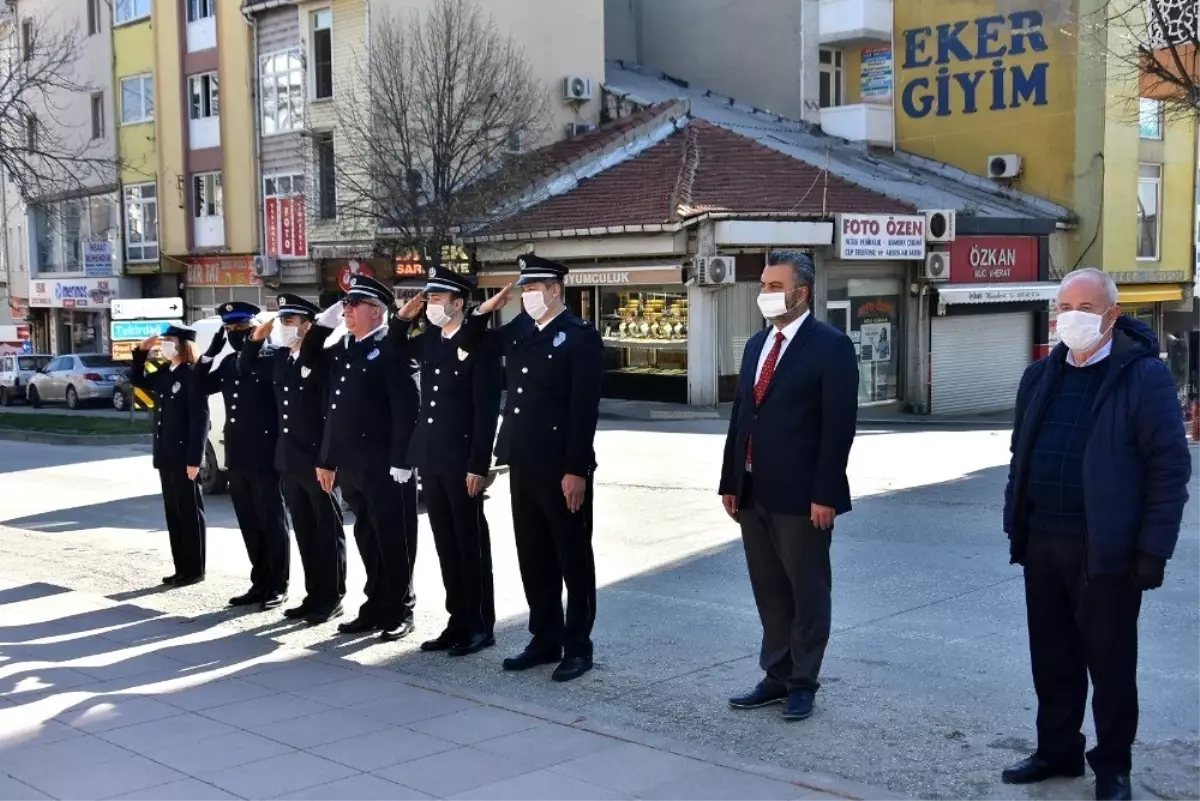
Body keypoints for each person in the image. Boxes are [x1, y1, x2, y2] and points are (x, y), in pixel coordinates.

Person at [1002, 268, 1190, 801]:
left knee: (1110, 666)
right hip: (1043, 541)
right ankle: (1057, 751)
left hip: (1105, 551)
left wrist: (1153, 549)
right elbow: (1022, 455)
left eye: (1084, 307)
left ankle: (1112, 766)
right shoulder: (1040, 375)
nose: (1071, 317)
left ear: (1111, 315)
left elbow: (1169, 469)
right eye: (1064, 306)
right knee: (1052, 657)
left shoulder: (1141, 377)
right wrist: (1016, 520)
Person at [718, 250, 858, 722]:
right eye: (764, 284)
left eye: (776, 286)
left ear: (803, 293)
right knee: (770, 590)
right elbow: (742, 417)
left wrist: (825, 494)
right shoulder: (758, 344)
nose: (766, 294)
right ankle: (776, 674)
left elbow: (839, 428)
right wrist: (730, 481)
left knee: (807, 590)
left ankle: (803, 682)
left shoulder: (830, 346)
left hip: (803, 497)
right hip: (754, 491)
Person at [474, 254, 603, 682]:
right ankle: (544, 636)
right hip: (523, 461)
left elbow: (583, 410)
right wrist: (483, 311)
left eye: (534, 289)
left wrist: (576, 469)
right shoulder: (523, 329)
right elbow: (478, 346)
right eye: (525, 289)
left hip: (560, 466)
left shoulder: (580, 336)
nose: (528, 296)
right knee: (533, 555)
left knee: (572, 557)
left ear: (555, 291)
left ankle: (578, 645)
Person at [393, 267, 502, 657]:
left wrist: (478, 464)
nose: (431, 305)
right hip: (433, 458)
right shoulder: (432, 342)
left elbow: (485, 410)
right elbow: (394, 348)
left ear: (458, 303)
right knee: (446, 545)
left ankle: (480, 625)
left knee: (470, 545)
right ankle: (457, 621)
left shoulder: (481, 345)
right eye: (429, 298)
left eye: (438, 299)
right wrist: (402, 318)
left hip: (462, 461)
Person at [309, 274, 420, 642]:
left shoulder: (392, 346)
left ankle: (401, 608)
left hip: (387, 466)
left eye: (353, 304)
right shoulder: (345, 349)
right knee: (367, 538)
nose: (347, 310)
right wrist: (327, 459)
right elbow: (332, 408)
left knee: (395, 539)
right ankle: (375, 606)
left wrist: (403, 461)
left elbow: (408, 409)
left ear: (376, 311)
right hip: (353, 466)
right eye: (345, 304)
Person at [240, 295, 347, 626]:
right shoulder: (281, 359)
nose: (284, 327)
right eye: (282, 320)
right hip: (289, 461)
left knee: (326, 532)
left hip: (316, 460)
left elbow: (330, 413)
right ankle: (313, 594)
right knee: (304, 530)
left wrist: (328, 460)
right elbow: (247, 366)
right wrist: (255, 337)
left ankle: (332, 597)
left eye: (290, 321)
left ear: (307, 325)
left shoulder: (322, 359)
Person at [196, 302, 289, 611]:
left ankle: (278, 584)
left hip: (264, 454)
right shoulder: (227, 364)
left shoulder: (271, 357)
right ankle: (259, 582)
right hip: (236, 455)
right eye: (230, 330)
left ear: (253, 328)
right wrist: (209, 353)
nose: (235, 335)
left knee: (272, 521)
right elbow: (197, 387)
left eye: (240, 329)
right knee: (249, 522)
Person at [129, 325, 210, 587]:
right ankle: (181, 567)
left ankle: (195, 568)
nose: (165, 344)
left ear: (184, 344)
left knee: (190, 513)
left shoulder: (192, 374)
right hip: (166, 455)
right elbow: (139, 380)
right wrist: (141, 352)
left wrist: (194, 459)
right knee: (174, 513)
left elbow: (201, 421)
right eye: (164, 340)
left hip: (184, 456)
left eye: (170, 340)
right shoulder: (166, 372)